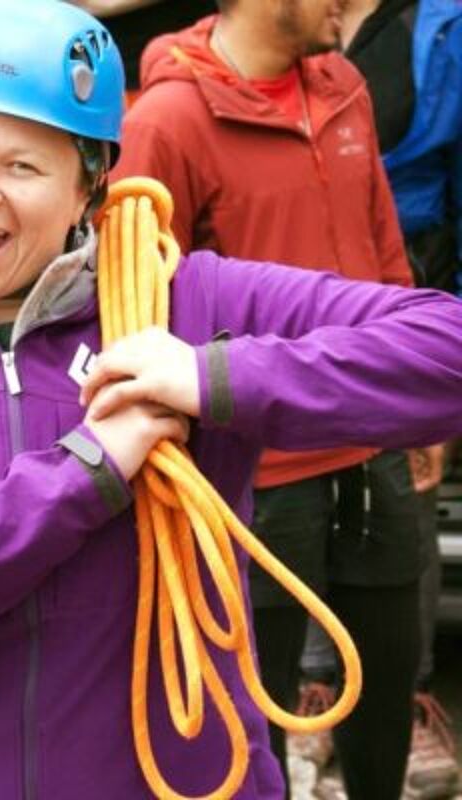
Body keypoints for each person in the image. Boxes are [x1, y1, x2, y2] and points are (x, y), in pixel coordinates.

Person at [0, 1, 462, 798]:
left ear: (89, 191)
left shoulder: (184, 307)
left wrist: (214, 377)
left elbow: (444, 348)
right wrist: (87, 471)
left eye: (23, 167)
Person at [111, 1, 431, 798]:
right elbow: (135, 308)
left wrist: (417, 402)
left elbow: (384, 249)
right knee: (251, 709)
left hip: (374, 448)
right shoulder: (167, 121)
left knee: (385, 685)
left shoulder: (344, 85)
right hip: (255, 475)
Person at [299, 2, 462, 798]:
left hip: (406, 282)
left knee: (402, 492)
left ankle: (406, 692)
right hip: (293, 285)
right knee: (290, 481)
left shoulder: (439, 27)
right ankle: (310, 687)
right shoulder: (285, 23)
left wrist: (443, 382)